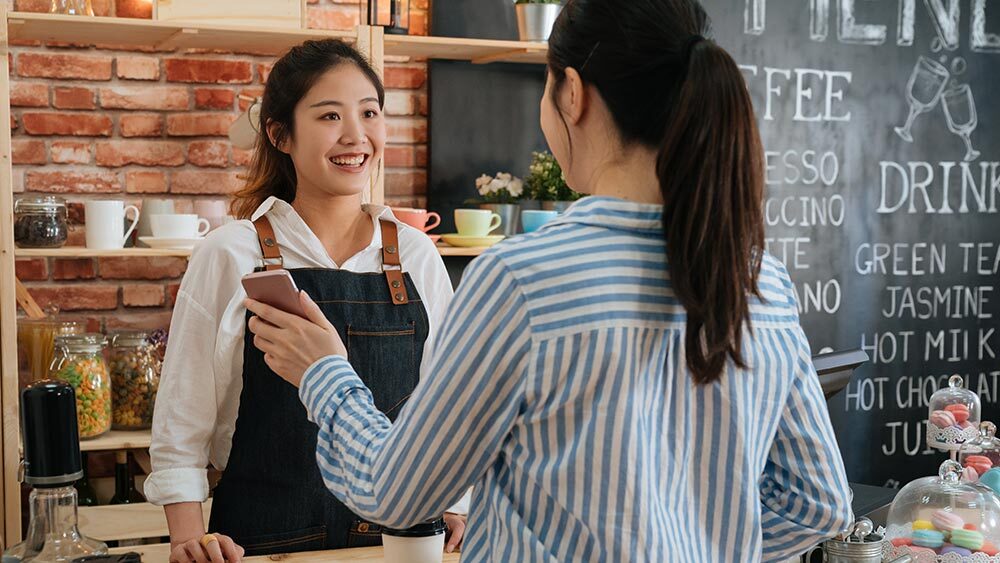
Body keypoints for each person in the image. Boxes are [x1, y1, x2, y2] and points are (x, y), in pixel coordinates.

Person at [245, 0, 854, 560]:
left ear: (571, 93)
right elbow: (817, 504)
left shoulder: (522, 281)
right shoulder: (761, 283)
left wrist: (326, 373)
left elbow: (399, 496)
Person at [145, 39, 468, 563]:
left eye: (369, 113)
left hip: (397, 544)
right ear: (280, 135)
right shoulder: (231, 252)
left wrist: (453, 504)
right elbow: (183, 420)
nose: (355, 135)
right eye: (329, 116)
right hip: (256, 545)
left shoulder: (415, 255)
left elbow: (448, 400)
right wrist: (188, 538)